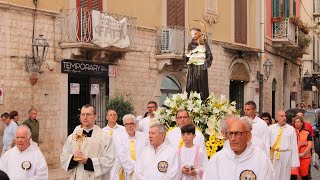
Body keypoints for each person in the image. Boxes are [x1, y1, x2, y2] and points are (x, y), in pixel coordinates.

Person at [202, 116, 274, 180]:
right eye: (230, 134)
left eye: (237, 134)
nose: (233, 139)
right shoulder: (217, 160)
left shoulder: (261, 160)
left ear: (249, 136)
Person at [60, 104, 115, 180]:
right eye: (83, 114)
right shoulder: (73, 136)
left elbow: (110, 159)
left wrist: (88, 161)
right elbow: (64, 157)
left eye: (88, 114)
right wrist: (73, 158)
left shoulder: (105, 137)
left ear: (95, 116)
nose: (85, 117)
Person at [115, 114, 149, 180]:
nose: (129, 126)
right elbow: (122, 156)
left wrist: (141, 166)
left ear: (135, 124)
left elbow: (147, 152)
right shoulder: (119, 138)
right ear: (124, 125)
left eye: (131, 123)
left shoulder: (143, 137)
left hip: (142, 170)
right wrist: (136, 167)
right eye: (127, 124)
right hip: (127, 171)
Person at [269, 110, 300, 180]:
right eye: (282, 116)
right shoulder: (271, 128)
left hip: (286, 155)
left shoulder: (291, 129)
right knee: (274, 175)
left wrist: (294, 163)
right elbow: (266, 143)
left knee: (285, 176)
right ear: (277, 118)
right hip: (274, 155)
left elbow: (294, 146)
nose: (284, 118)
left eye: (285, 116)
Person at [185, 27, 213, 100]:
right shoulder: (189, 45)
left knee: (202, 87)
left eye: (195, 33)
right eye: (192, 34)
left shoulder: (205, 45)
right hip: (192, 68)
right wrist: (188, 57)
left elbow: (210, 55)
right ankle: (191, 101)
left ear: (199, 34)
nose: (193, 35)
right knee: (191, 85)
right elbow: (187, 56)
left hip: (201, 68)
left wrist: (205, 63)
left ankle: (203, 102)